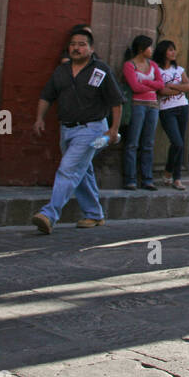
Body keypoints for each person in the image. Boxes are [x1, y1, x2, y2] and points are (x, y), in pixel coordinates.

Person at [31, 27, 124, 233]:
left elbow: (116, 102)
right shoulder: (61, 71)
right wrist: (39, 119)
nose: (76, 48)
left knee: (69, 168)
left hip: (92, 129)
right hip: (67, 130)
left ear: (91, 49)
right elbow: (47, 96)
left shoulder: (101, 70)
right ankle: (94, 214)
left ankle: (49, 214)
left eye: (82, 44)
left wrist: (113, 130)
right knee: (82, 171)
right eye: (73, 44)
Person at [121, 35, 164, 190]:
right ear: (141, 48)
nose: (151, 50)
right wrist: (152, 86)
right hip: (137, 106)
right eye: (149, 47)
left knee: (148, 143)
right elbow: (134, 87)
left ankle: (147, 178)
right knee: (132, 142)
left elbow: (161, 84)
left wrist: (145, 82)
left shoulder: (153, 65)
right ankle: (130, 179)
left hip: (152, 106)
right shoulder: (129, 65)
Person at [154, 39, 189, 190]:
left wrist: (172, 86)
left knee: (180, 143)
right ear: (163, 52)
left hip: (182, 107)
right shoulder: (156, 69)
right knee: (177, 142)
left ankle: (177, 178)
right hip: (166, 109)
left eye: (174, 49)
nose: (173, 52)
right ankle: (168, 171)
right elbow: (161, 91)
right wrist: (179, 88)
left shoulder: (179, 69)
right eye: (170, 50)